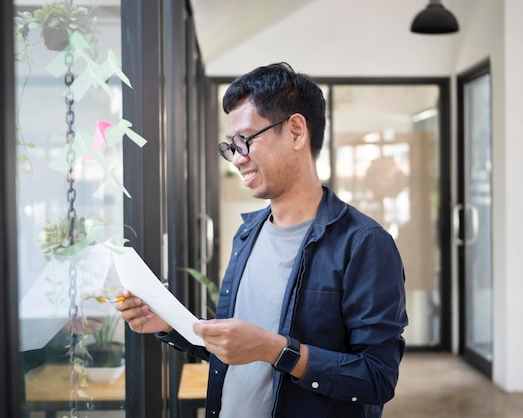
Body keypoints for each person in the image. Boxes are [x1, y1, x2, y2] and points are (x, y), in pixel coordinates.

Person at [115, 62, 408, 418]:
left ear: (296, 131)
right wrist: (170, 325)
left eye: (245, 141)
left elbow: (376, 378)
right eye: (230, 146)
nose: (237, 159)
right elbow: (241, 350)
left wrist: (276, 349)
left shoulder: (364, 244)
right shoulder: (248, 233)